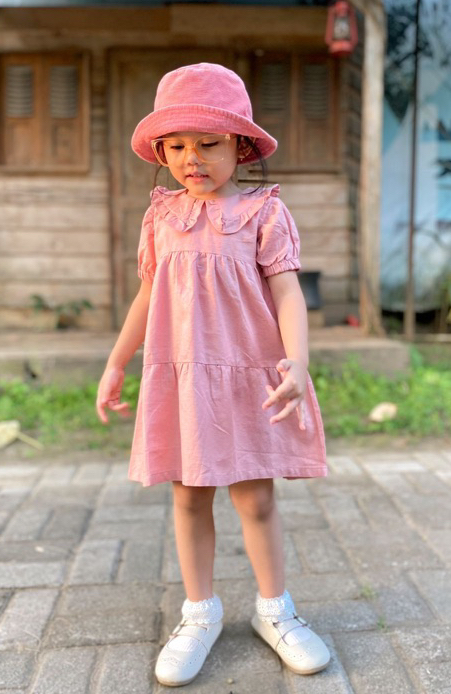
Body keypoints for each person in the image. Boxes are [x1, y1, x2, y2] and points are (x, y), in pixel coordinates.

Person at [96, 63, 330, 687]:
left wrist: (298, 361)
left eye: (208, 143)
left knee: (255, 496)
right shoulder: (161, 217)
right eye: (176, 146)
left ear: (241, 147)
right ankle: (199, 612)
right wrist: (117, 362)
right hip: (183, 378)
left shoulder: (263, 213)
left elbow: (288, 294)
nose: (191, 158)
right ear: (162, 153)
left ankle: (275, 611)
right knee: (188, 493)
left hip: (248, 374)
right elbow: (147, 297)